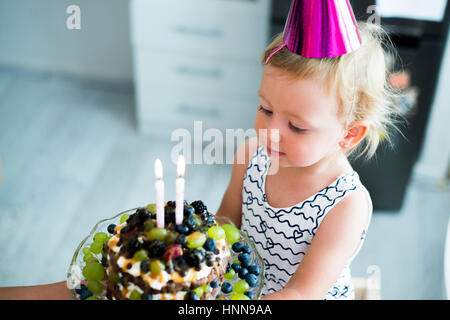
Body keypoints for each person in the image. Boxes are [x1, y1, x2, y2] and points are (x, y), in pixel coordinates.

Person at [215, 18, 404, 300]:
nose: (271, 132)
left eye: (297, 126)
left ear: (349, 134)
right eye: (266, 109)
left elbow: (301, 293)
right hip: (246, 291)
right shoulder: (250, 155)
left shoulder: (346, 205)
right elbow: (226, 222)